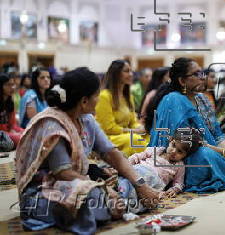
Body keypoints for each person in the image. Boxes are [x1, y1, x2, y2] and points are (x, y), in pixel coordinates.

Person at [16, 67, 160, 234]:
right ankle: (115, 205)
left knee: (142, 173)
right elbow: (63, 173)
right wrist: (104, 190)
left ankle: (118, 203)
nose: (99, 100)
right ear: (84, 101)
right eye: (97, 95)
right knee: (93, 197)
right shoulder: (53, 124)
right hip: (47, 190)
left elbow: (111, 153)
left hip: (81, 180)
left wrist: (140, 184)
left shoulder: (87, 119)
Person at [146, 57, 225, 193]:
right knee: (205, 155)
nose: (202, 77)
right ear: (182, 81)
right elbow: (185, 142)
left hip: (211, 148)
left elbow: (217, 134)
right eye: (196, 74)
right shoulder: (174, 100)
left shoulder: (202, 99)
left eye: (202, 73)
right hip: (183, 156)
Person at [128, 128, 203, 199]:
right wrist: (130, 161)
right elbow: (138, 156)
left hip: (153, 182)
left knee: (137, 192)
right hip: (139, 171)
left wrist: (174, 189)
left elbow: (179, 183)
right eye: (173, 145)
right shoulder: (156, 150)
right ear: (170, 140)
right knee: (131, 175)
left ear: (185, 155)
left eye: (179, 151)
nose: (174, 151)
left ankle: (128, 193)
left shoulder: (179, 165)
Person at [95, 60, 147, 156]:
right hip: (108, 137)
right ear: (116, 74)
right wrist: (133, 131)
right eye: (126, 71)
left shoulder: (128, 96)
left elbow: (133, 122)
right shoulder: (104, 96)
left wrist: (141, 128)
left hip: (125, 134)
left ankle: (149, 164)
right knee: (134, 139)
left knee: (148, 135)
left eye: (131, 71)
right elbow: (108, 128)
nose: (131, 74)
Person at [0, 74, 24, 149]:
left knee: (28, 132)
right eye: (8, 85)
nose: (12, 88)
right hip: (1, 133)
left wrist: (13, 130)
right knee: (21, 139)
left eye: (12, 85)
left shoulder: (10, 101)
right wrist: (12, 133)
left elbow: (12, 123)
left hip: (7, 132)